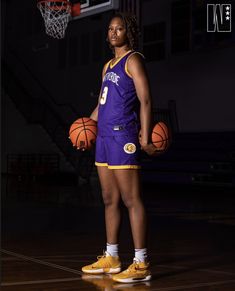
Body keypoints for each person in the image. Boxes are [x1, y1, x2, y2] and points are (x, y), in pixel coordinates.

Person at [81, 12, 158, 283]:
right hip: (102, 138)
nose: (114, 32)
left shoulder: (133, 60)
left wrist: (146, 137)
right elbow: (102, 105)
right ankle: (112, 257)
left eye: (120, 28)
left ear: (129, 32)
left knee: (130, 199)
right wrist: (84, 127)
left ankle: (141, 261)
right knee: (108, 199)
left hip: (122, 136)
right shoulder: (107, 66)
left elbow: (146, 100)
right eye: (111, 29)